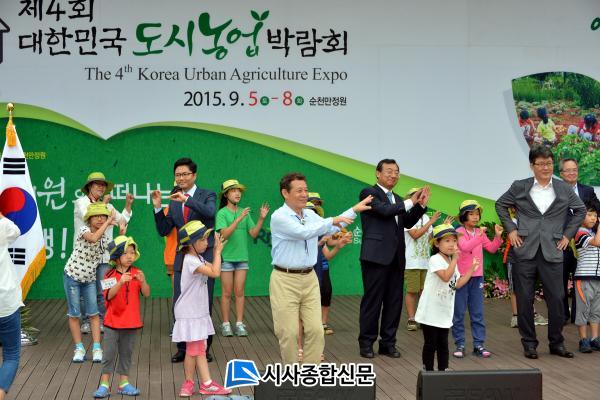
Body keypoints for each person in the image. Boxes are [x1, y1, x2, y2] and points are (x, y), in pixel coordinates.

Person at [270, 172, 372, 365]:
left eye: (306, 190)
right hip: (285, 279)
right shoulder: (279, 217)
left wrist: (353, 210)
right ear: (285, 193)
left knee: (316, 330)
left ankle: (310, 371)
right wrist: (331, 221)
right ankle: (292, 373)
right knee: (288, 332)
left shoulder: (310, 214)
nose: (304, 194)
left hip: (310, 278)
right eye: (299, 191)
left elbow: (330, 228)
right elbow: (303, 232)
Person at [496, 145, 586, 359]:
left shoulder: (563, 188)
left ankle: (557, 342)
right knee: (524, 299)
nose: (546, 167)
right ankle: (529, 344)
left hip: (553, 249)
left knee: (557, 299)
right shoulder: (520, 186)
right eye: (541, 163)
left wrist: (567, 235)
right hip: (524, 250)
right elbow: (500, 205)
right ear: (532, 166)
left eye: (549, 163)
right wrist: (511, 230)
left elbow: (580, 210)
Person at [358, 159, 429, 359]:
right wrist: (410, 202)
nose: (393, 175)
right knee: (373, 302)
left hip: (396, 259)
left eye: (396, 172)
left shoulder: (397, 199)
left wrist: (420, 206)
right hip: (375, 258)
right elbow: (384, 211)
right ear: (378, 173)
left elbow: (406, 222)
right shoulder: (369, 193)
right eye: (389, 171)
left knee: (394, 303)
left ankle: (388, 343)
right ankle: (366, 343)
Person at [152, 157, 216, 363]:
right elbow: (164, 229)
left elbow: (210, 213)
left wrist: (186, 200)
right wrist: (157, 208)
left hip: (205, 255)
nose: (181, 178)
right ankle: (182, 347)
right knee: (180, 300)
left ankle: (204, 347)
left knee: (204, 299)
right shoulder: (173, 200)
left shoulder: (207, 195)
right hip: (183, 256)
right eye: (177, 175)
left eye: (185, 174)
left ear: (194, 175)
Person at [172, 221, 231, 397]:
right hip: (191, 313)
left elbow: (213, 268)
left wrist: (216, 254)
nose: (207, 243)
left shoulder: (197, 258)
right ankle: (206, 384)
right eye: (203, 239)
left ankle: (190, 383)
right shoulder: (191, 260)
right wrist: (218, 252)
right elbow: (215, 272)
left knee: (195, 348)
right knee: (197, 348)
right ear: (191, 243)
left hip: (196, 311)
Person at [74, 172, 133, 334]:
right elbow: (88, 217)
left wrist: (128, 205)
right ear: (89, 187)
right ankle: (87, 321)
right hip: (85, 256)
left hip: (104, 256)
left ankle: (102, 319)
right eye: (97, 184)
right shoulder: (80, 202)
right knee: (85, 290)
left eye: (103, 185)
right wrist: (104, 206)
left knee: (103, 289)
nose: (101, 187)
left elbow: (122, 220)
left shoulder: (109, 207)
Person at [415, 224, 478, 371]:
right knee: (431, 343)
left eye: (454, 241)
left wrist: (471, 270)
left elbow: (457, 284)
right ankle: (428, 371)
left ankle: (443, 370)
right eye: (447, 241)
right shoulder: (435, 259)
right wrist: (455, 259)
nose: (452, 244)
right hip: (430, 311)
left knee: (443, 343)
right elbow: (445, 277)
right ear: (437, 244)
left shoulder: (450, 262)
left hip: (444, 312)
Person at [93, 236, 150, 398]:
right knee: (109, 354)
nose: (130, 256)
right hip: (112, 323)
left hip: (131, 322)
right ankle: (104, 384)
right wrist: (120, 283)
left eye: (132, 253)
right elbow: (108, 296)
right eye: (125, 253)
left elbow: (146, 293)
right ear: (116, 256)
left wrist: (143, 281)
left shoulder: (137, 273)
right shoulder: (109, 275)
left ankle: (124, 383)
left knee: (126, 353)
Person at [215, 179, 269, 337]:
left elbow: (253, 233)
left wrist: (261, 218)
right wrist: (238, 218)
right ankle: (226, 324)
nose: (237, 193)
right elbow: (224, 234)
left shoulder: (244, 212)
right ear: (226, 195)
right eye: (233, 191)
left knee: (239, 292)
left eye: (239, 191)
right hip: (226, 258)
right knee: (226, 293)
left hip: (242, 258)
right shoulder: (222, 213)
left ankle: (239, 323)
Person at [64, 203, 115, 363]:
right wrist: (109, 222)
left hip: (89, 280)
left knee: (93, 314)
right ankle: (79, 348)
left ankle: (97, 349)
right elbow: (93, 238)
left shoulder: (105, 239)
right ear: (89, 219)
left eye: (103, 216)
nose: (100, 219)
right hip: (72, 277)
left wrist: (121, 231)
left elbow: (115, 252)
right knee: (74, 314)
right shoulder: (83, 230)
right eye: (96, 216)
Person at [452, 200, 503, 359]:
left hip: (477, 277)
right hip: (462, 277)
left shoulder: (479, 232)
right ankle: (460, 344)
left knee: (477, 313)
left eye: (477, 214)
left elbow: (492, 249)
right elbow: (465, 247)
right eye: (471, 214)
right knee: (459, 313)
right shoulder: (459, 231)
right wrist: (480, 236)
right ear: (464, 216)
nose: (475, 217)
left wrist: (497, 236)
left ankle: (479, 345)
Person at [559, 158, 600, 324]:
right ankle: (562, 315)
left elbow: (597, 210)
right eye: (568, 170)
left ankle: (579, 315)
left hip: (583, 244)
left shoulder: (587, 190)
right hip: (560, 244)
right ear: (561, 174)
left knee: (581, 281)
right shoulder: (554, 191)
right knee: (559, 281)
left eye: (574, 170)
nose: (572, 173)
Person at [404, 188, 446, 332]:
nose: (422, 199)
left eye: (424, 197)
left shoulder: (426, 217)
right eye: (419, 196)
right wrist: (432, 222)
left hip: (425, 262)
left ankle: (422, 317)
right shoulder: (406, 215)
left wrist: (443, 227)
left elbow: (429, 239)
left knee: (424, 291)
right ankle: (411, 318)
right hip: (411, 262)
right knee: (412, 291)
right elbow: (415, 235)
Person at [502, 207, 548, 328]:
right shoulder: (512, 222)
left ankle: (532, 314)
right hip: (513, 259)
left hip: (527, 258)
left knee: (528, 287)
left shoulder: (531, 220)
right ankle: (516, 317)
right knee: (515, 288)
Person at [0, 212, 23, 400]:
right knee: (11, 355)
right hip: (6, 302)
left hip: (7, 303)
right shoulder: (2, 227)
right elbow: (15, 231)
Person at [573, 205, 600, 353]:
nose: (593, 218)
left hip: (598, 278)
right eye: (589, 215)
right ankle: (583, 340)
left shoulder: (594, 233)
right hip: (584, 277)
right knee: (583, 310)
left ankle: (595, 339)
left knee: (596, 310)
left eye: (595, 216)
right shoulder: (580, 232)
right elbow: (597, 242)